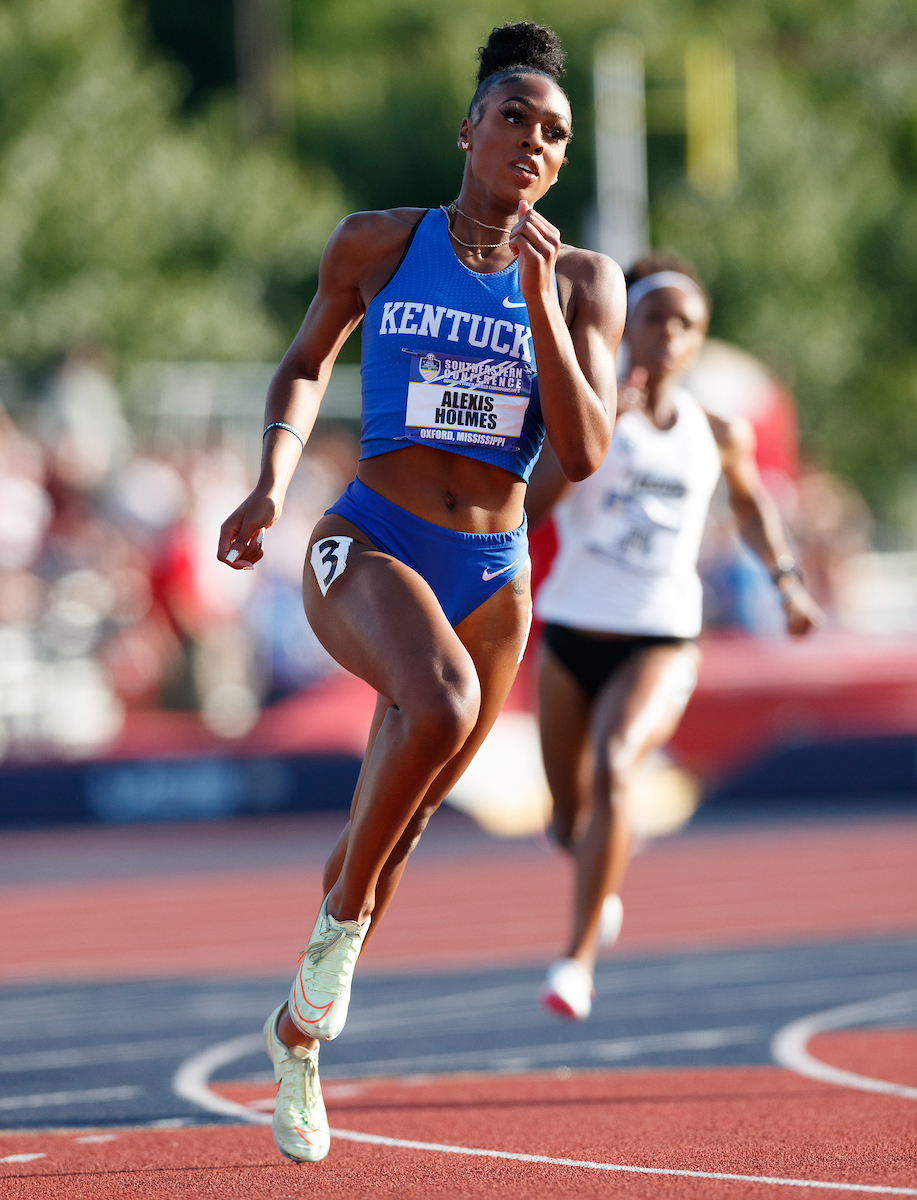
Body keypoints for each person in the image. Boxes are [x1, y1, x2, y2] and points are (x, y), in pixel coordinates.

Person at [218, 23, 624, 1163]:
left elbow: (585, 451)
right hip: (371, 540)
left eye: (555, 134)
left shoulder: (585, 281)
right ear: (468, 128)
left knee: (396, 829)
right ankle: (334, 943)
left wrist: (542, 305)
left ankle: (298, 1039)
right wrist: (267, 483)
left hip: (494, 573)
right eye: (514, 119)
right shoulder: (379, 245)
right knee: (438, 706)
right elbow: (305, 360)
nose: (533, 143)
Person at [526, 252, 822, 1022]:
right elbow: (533, 507)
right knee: (566, 821)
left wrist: (787, 581)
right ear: (626, 327)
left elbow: (753, 506)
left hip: (660, 636)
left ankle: (577, 962)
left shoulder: (717, 432)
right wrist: (600, 428)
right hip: (570, 634)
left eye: (685, 325)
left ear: (698, 342)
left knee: (619, 765)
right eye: (654, 318)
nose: (667, 336)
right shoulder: (590, 414)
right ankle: (597, 864)